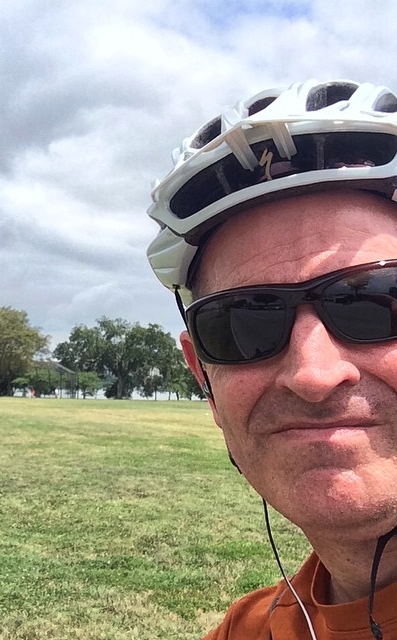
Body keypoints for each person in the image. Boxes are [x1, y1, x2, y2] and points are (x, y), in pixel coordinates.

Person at [146, 79, 397, 639]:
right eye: (243, 324)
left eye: (373, 304)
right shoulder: (248, 628)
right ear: (203, 378)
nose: (313, 374)